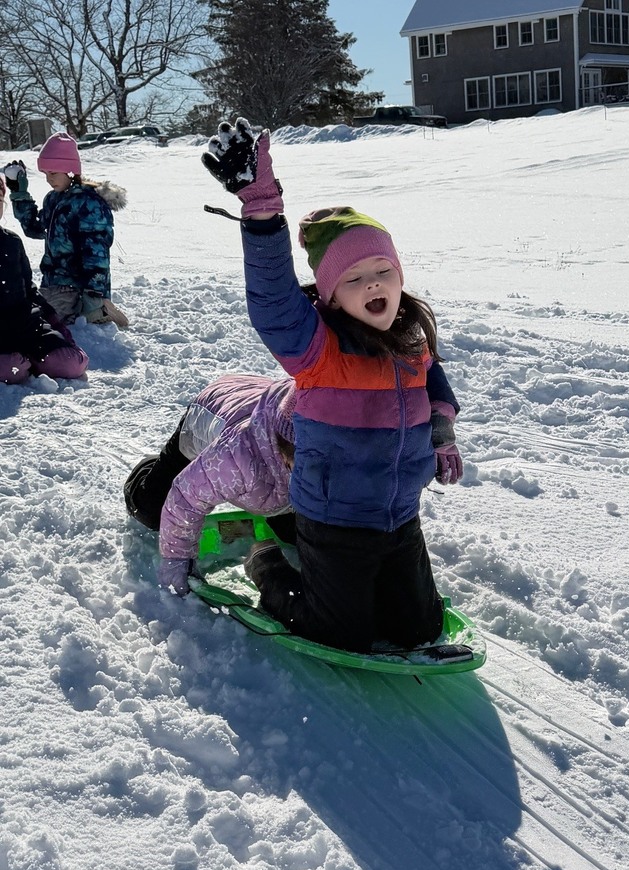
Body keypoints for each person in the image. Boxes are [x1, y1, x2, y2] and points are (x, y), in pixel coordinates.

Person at [201, 118, 463, 653]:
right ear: (330, 295)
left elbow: (432, 380)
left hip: (398, 516)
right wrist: (262, 210)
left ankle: (370, 594)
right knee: (341, 633)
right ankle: (268, 563)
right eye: (353, 277)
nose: (372, 283)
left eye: (382, 269)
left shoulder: (411, 338)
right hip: (333, 520)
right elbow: (273, 301)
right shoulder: (317, 350)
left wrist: (442, 434)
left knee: (420, 630)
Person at [124, 374, 298, 595]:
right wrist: (178, 563)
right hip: (211, 412)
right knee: (151, 507)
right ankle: (153, 468)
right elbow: (185, 498)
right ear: (285, 454)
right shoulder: (238, 455)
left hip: (267, 405)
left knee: (292, 532)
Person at [2, 132, 129, 327]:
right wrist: (20, 193)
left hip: (77, 286)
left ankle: (101, 310)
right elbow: (34, 228)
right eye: (45, 174)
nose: (48, 179)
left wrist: (94, 293)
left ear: (70, 170)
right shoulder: (54, 198)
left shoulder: (89, 203)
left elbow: (96, 252)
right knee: (28, 311)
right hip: (53, 282)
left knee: (40, 322)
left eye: (53, 173)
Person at [0, 172, 89, 384]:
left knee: (70, 363)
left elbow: (29, 290)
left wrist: (57, 326)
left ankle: (30, 361)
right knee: (12, 369)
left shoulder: (11, 242)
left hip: (24, 326)